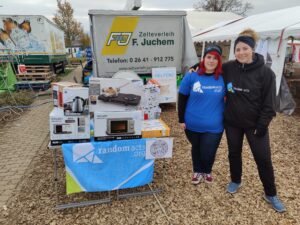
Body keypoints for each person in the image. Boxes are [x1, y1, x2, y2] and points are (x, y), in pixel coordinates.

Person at [223, 29, 286, 212]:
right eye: (238, 49)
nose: (241, 52)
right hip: (233, 122)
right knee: (234, 153)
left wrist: (262, 125)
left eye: (245, 48)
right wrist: (197, 67)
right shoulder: (228, 68)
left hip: (255, 125)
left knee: (263, 159)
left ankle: (271, 193)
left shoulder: (266, 73)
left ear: (253, 49)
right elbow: (210, 69)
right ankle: (236, 180)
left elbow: (270, 104)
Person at [178, 45, 225, 184]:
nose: (211, 60)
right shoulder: (191, 76)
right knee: (196, 147)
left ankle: (207, 170)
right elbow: (182, 98)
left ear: (219, 61)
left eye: (215, 58)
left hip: (214, 125)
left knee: (208, 150)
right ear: (203, 59)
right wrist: (181, 119)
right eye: (208, 57)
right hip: (192, 123)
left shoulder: (224, 77)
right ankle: (197, 171)